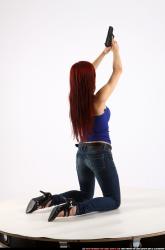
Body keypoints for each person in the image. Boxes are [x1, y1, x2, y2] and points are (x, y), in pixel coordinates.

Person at [26, 38, 123, 221]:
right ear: (90, 80)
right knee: (113, 200)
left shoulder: (75, 102)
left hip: (82, 154)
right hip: (99, 154)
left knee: (85, 193)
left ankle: (49, 200)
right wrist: (116, 50)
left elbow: (86, 75)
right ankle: (75, 210)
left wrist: (104, 52)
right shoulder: (97, 100)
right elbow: (118, 71)